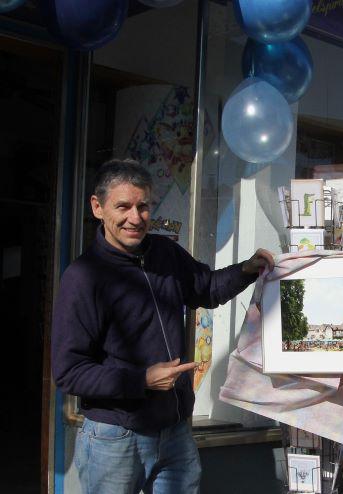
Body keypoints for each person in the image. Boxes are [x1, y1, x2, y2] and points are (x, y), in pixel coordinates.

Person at [51, 159, 274, 494]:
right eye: (123, 207)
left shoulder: (165, 253)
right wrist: (142, 380)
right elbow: (69, 372)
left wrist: (247, 269)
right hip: (115, 437)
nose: (135, 218)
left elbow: (206, 288)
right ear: (97, 207)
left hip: (174, 430)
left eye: (143, 206)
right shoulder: (84, 277)